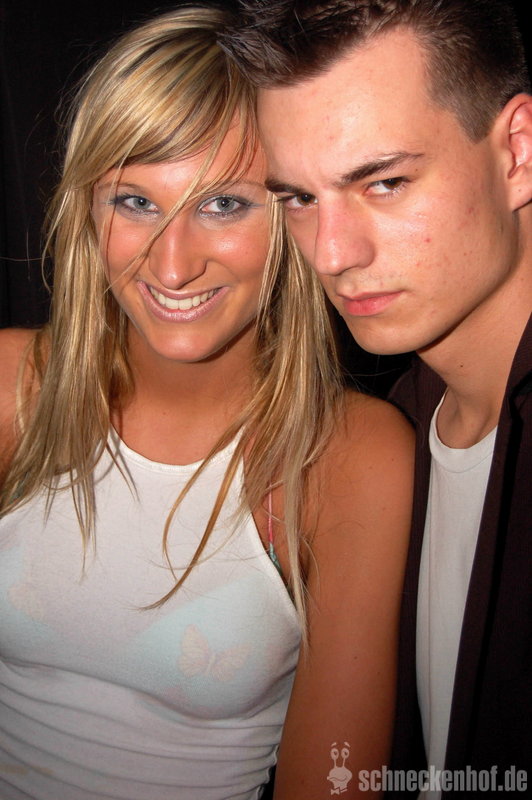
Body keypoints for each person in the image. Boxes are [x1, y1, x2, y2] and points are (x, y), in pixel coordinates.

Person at [0, 4, 414, 798]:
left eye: (223, 204)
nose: (173, 264)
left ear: (293, 212)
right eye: (136, 201)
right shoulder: (15, 386)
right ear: (88, 211)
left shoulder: (351, 458)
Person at [220, 0, 532, 796]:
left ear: (518, 153)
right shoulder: (395, 431)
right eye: (298, 198)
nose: (332, 255)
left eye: (384, 183)